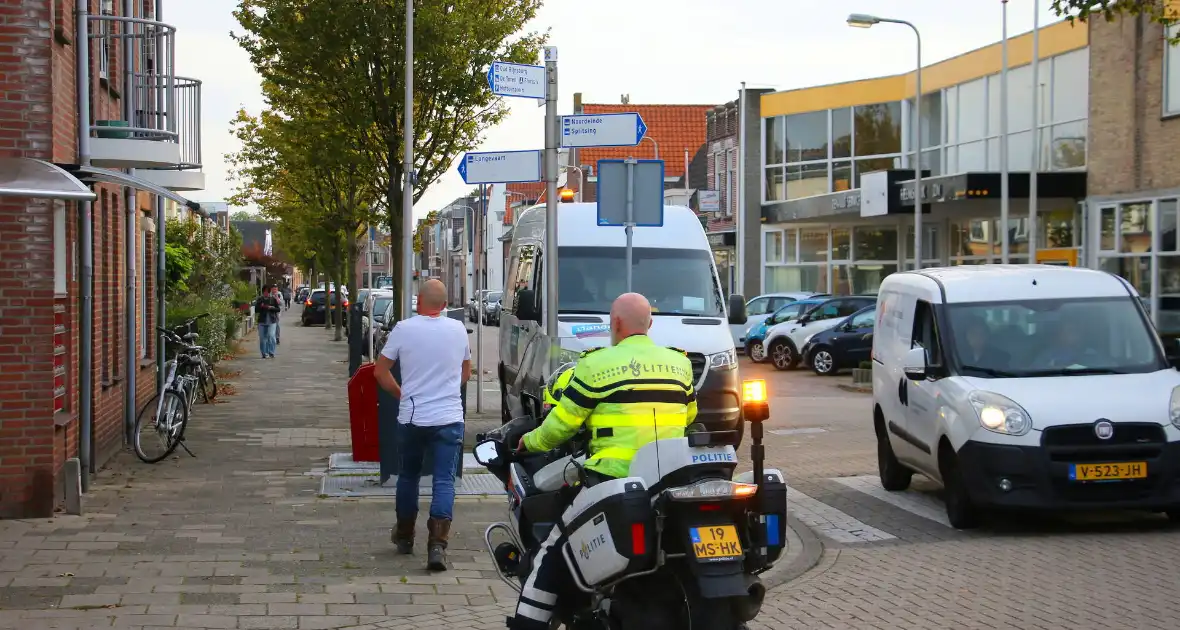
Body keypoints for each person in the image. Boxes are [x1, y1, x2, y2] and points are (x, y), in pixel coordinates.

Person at [507, 292, 697, 630]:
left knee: (553, 550)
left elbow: (559, 428)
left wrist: (528, 442)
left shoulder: (595, 365)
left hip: (612, 482)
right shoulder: (680, 365)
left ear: (616, 324)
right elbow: (690, 413)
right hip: (670, 482)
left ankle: (527, 624)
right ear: (649, 324)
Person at [374, 279, 471, 571]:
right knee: (444, 480)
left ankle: (404, 534)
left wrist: (401, 393)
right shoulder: (457, 330)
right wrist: (446, 389)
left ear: (418, 302)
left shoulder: (404, 329)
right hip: (449, 418)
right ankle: (437, 546)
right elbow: (466, 371)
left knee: (408, 476)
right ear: (444, 306)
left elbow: (380, 372)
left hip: (413, 417)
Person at [254, 285, 280, 359]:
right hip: (262, 322)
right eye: (264, 292)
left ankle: (271, 352)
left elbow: (278, 309)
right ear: (263, 292)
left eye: (267, 292)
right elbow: (256, 310)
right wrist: (262, 306)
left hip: (272, 321)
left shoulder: (273, 299)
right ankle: (264, 353)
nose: (266, 293)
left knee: (271, 336)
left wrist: (271, 308)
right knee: (262, 338)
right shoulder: (260, 299)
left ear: (269, 292)